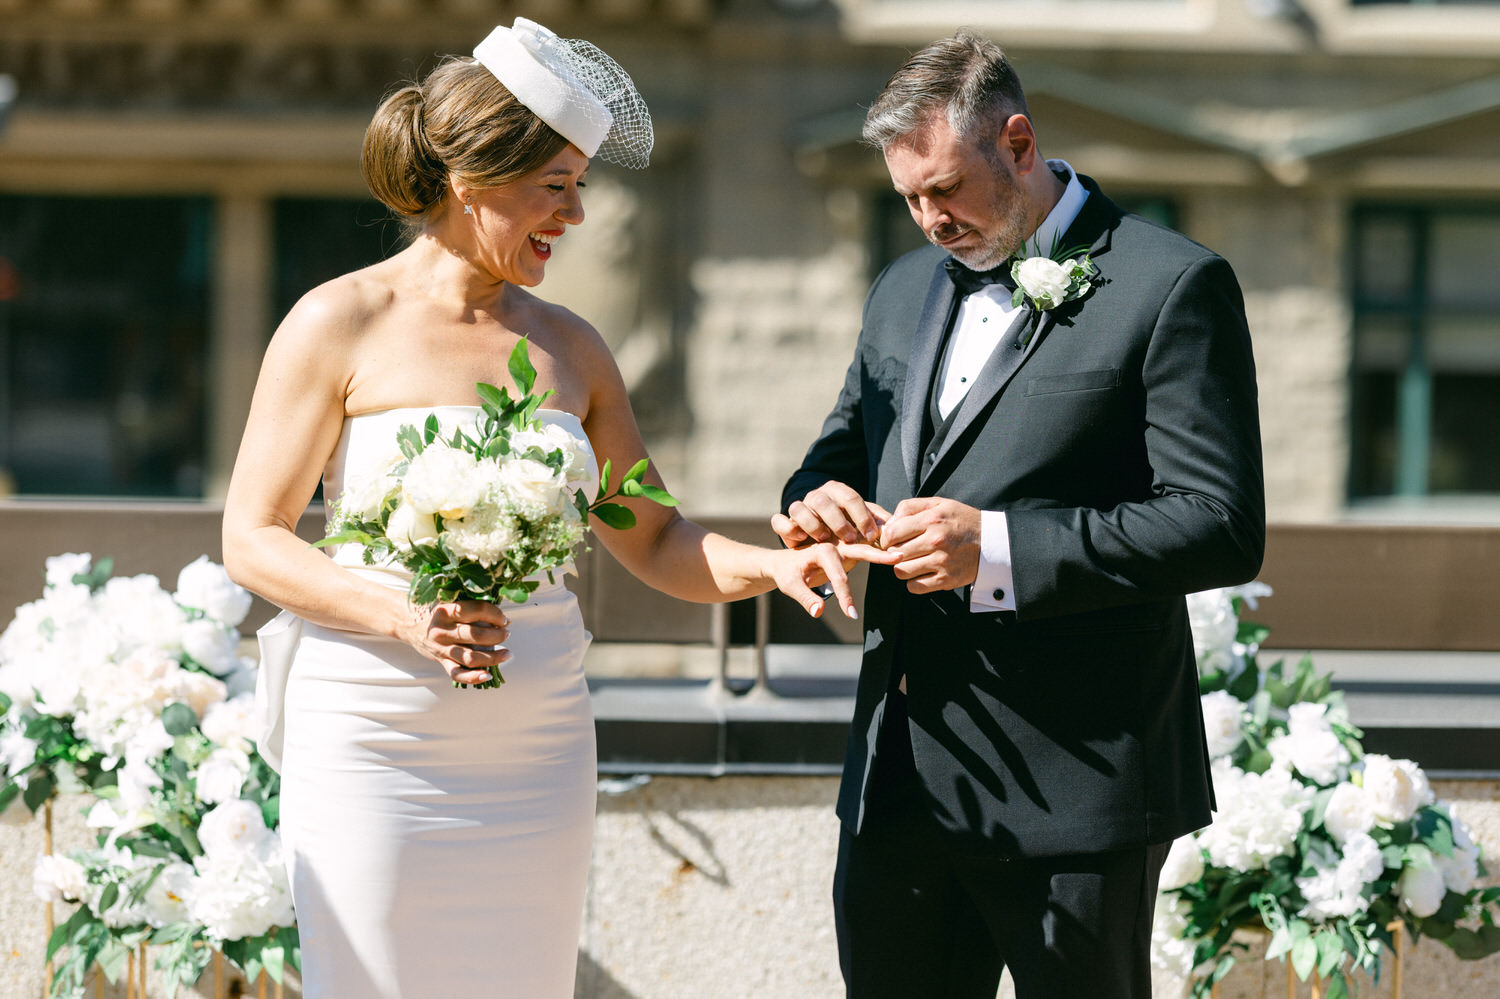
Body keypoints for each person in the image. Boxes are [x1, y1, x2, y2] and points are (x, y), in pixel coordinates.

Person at [221, 19, 875, 998]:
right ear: (471, 179)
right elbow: (254, 539)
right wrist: (408, 617)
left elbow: (653, 533)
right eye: (555, 187)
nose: (575, 216)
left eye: (579, 187)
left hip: (537, 742)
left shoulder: (576, 350)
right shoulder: (336, 322)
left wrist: (771, 567)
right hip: (373, 731)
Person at [774, 30, 1266, 999]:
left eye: (947, 187)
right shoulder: (900, 289)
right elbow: (839, 452)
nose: (929, 219)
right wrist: (812, 502)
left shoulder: (1172, 285)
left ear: (1019, 141)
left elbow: (1219, 522)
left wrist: (992, 549)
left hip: (1078, 790)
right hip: (900, 777)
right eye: (908, 196)